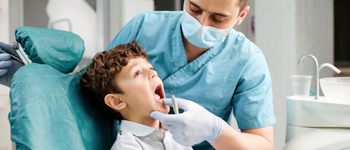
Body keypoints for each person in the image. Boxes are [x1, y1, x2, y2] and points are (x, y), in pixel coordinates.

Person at [0, 0, 276, 149]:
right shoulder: (146, 25)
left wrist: (217, 131)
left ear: (241, 17)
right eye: (194, 8)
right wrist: (31, 82)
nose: (202, 23)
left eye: (218, 18)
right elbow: (96, 83)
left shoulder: (248, 60)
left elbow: (262, 144)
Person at [81, 40, 193, 150]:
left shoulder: (175, 135)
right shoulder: (126, 147)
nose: (153, 73)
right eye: (137, 73)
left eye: (151, 68)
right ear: (117, 101)